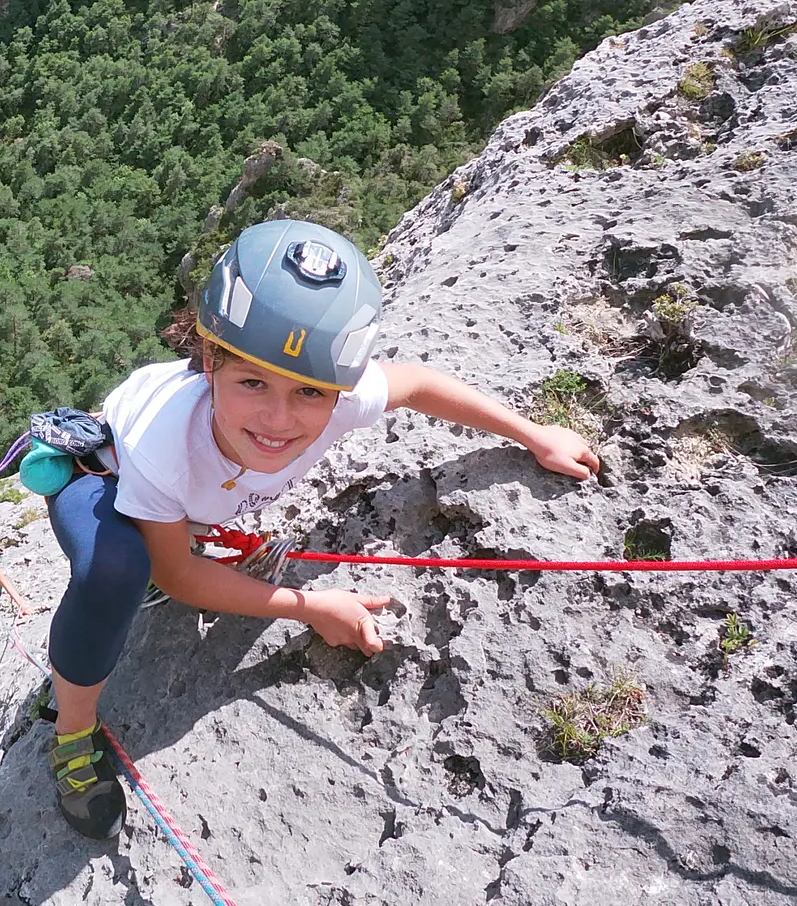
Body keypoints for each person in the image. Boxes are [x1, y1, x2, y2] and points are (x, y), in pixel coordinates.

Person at [40, 219, 601, 839]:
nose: (279, 419)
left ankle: (177, 532)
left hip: (186, 505)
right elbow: (179, 578)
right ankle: (72, 733)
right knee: (116, 569)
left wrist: (534, 435)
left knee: (159, 545)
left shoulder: (343, 396)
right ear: (209, 362)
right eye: (252, 382)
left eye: (309, 392)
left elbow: (418, 384)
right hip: (104, 478)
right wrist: (310, 607)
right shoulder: (165, 441)